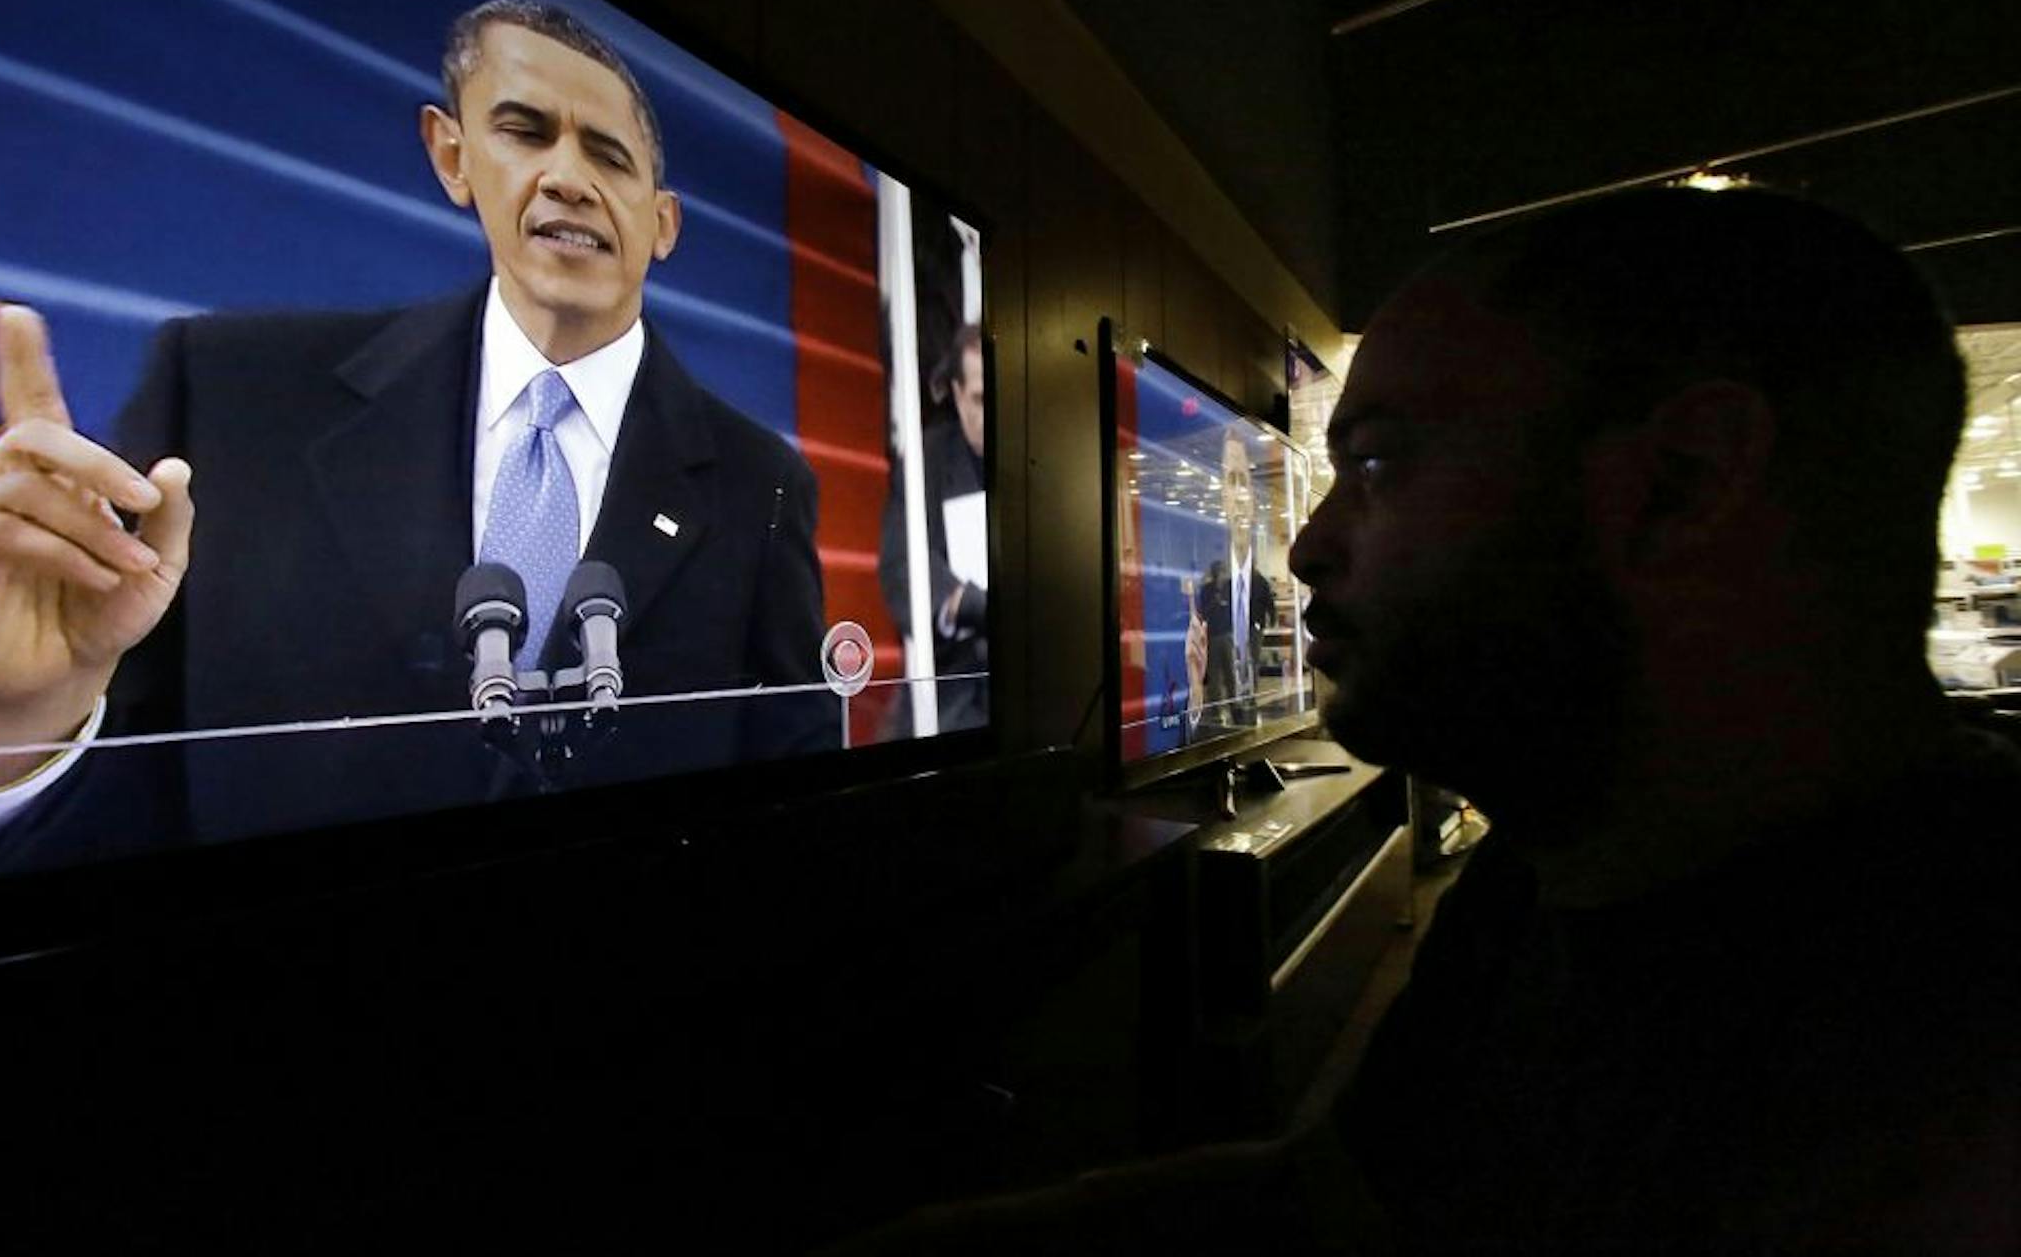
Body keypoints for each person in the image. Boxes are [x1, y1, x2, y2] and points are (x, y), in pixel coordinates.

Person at [831, 187, 2017, 1254]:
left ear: (1682, 484)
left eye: (1384, 461)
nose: (1308, 545)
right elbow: (1355, 1199)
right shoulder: (1549, 879)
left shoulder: (1947, 1107)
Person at [0, 0, 832, 880]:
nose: (569, 179)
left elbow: (796, 822)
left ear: (662, 224)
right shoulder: (230, 398)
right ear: (452, 156)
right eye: (525, 130)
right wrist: (6, 726)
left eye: (610, 157)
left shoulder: (760, 484)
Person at [879, 323, 988, 733]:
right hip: (953, 689)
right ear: (958, 393)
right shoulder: (927, 458)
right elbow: (901, 561)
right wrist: (963, 603)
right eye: (979, 399)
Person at [1185, 424, 1275, 733]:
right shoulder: (1210, 583)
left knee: (1244, 691)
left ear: (1252, 498)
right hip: (1220, 640)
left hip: (1247, 638)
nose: (1238, 495)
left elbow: (1267, 605)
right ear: (1222, 498)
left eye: (1243, 482)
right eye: (1230, 481)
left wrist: (1261, 625)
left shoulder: (1257, 581)